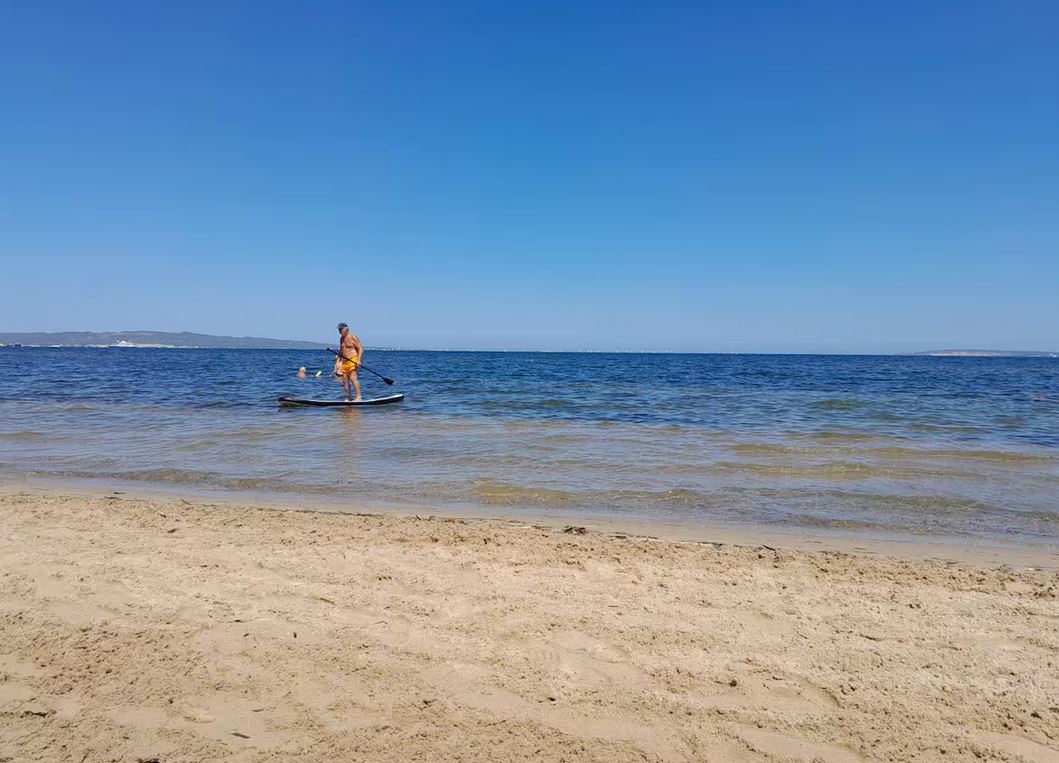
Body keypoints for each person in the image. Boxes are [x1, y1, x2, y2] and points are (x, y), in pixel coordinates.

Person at [335, 322, 364, 401]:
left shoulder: (352, 337)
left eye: (341, 329)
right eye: (339, 330)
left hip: (353, 359)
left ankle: (359, 397)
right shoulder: (341, 339)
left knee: (353, 378)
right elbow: (341, 351)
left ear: (346, 329)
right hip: (344, 362)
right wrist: (337, 362)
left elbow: (361, 348)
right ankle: (349, 397)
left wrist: (359, 360)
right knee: (345, 381)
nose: (339, 331)